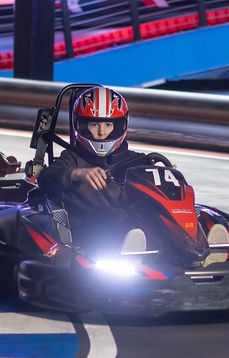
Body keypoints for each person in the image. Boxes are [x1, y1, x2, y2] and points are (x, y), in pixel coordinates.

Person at [37, 86, 147, 251]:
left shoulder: (135, 160)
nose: (102, 132)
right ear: (80, 125)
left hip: (132, 224)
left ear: (119, 125)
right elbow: (46, 177)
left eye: (108, 125)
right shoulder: (72, 159)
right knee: (103, 226)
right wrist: (76, 174)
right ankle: (127, 253)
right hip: (88, 229)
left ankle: (192, 254)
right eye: (95, 125)